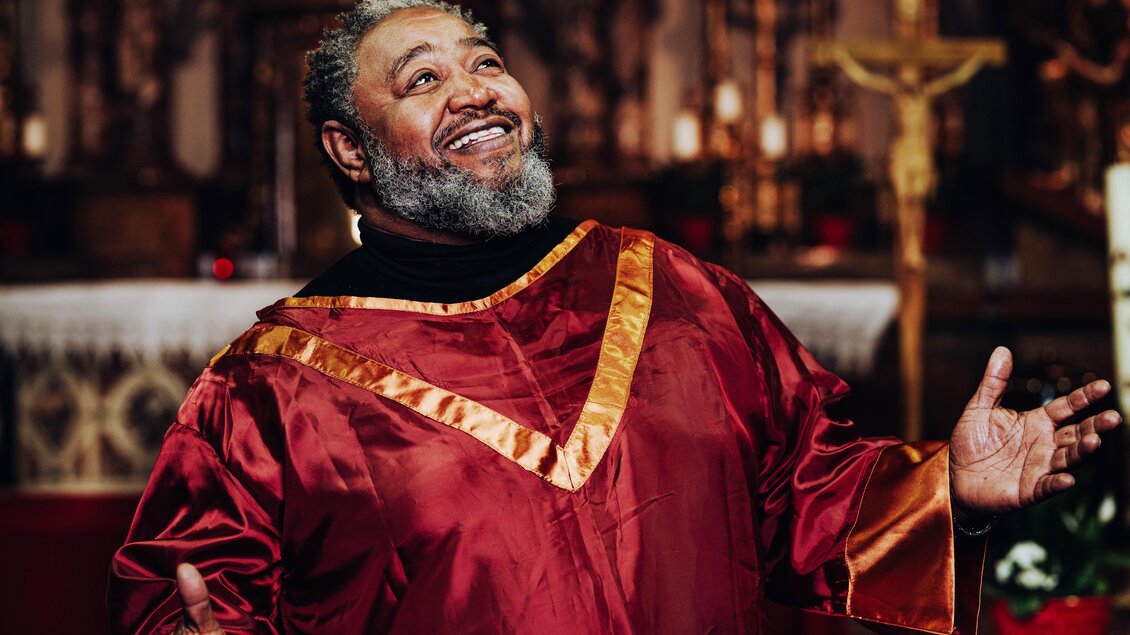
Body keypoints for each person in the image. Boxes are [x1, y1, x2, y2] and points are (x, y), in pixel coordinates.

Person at [108, 1, 1122, 633]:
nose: (476, 91)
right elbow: (188, 590)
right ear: (345, 147)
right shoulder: (275, 382)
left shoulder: (672, 289)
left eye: (484, 61)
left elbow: (805, 489)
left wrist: (950, 492)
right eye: (423, 79)